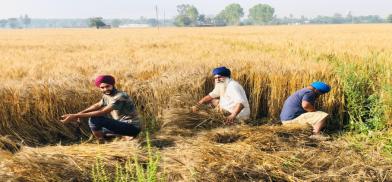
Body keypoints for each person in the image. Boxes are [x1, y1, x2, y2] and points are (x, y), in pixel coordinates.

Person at [60, 75, 141, 141]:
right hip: (121, 125)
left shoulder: (120, 96)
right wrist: (78, 113)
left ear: (113, 85)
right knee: (99, 131)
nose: (105, 89)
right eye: (102, 88)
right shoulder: (107, 95)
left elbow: (102, 112)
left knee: (95, 119)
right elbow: (97, 105)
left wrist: (75, 116)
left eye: (107, 86)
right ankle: (123, 136)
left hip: (132, 127)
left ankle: (102, 143)